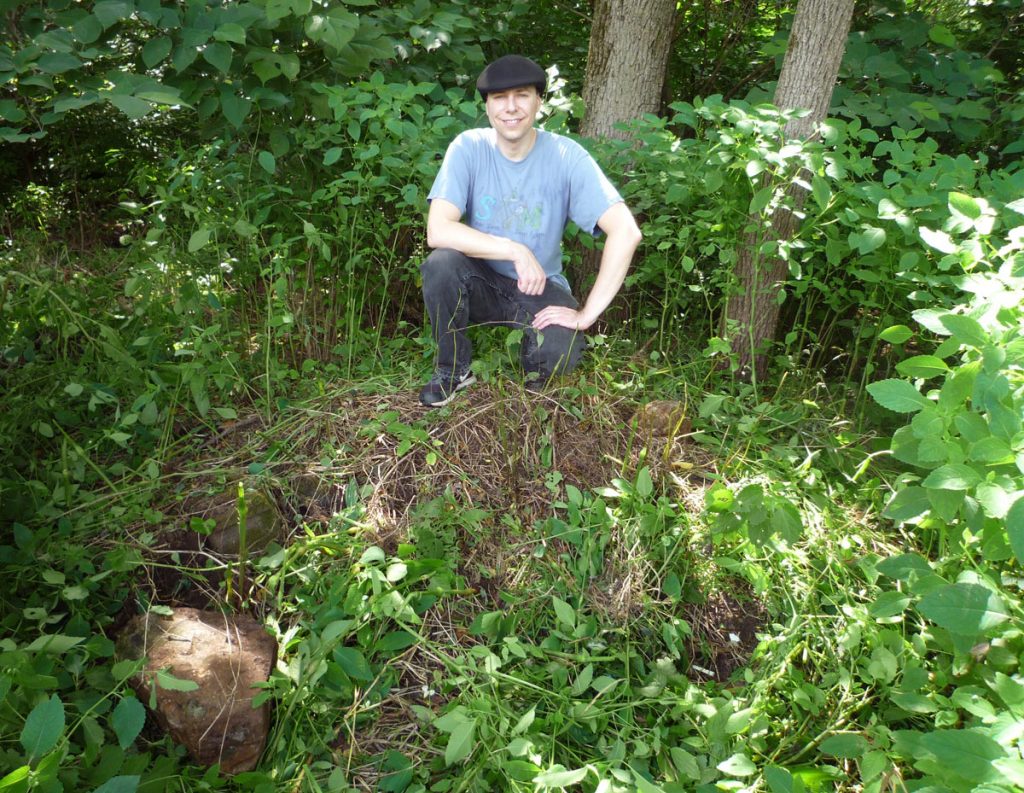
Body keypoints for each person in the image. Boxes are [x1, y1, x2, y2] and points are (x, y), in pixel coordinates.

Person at [418, 54, 642, 407]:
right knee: (441, 263)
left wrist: (587, 315)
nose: (511, 107)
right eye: (499, 98)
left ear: (539, 101)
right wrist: (515, 250)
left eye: (521, 95)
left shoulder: (567, 156)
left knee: (559, 355)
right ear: (487, 106)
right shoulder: (468, 148)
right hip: (477, 281)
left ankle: (532, 391)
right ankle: (454, 368)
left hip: (538, 290)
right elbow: (438, 229)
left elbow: (626, 232)